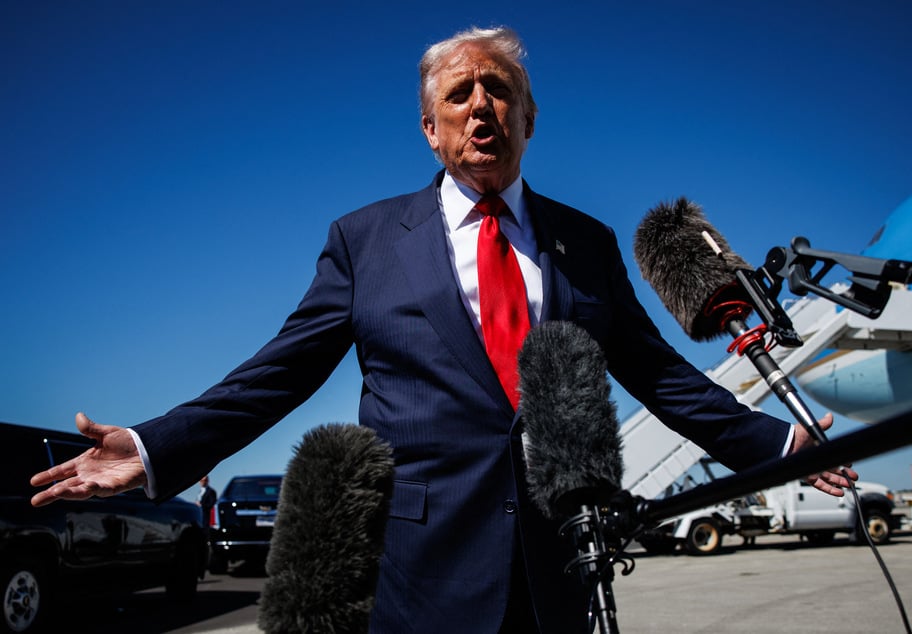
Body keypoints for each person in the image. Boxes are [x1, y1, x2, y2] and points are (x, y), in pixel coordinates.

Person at [30, 26, 856, 633]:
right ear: (431, 130)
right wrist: (151, 449)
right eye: (458, 95)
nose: (479, 106)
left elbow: (656, 372)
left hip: (555, 566)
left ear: (529, 118)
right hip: (419, 574)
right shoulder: (365, 240)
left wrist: (779, 446)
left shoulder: (586, 244)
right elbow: (278, 372)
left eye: (497, 90)